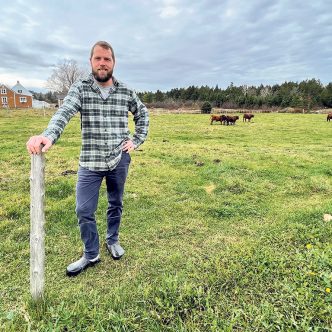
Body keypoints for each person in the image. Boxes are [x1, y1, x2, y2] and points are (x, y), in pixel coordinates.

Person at [26, 41, 149, 277]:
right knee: (84, 209)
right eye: (98, 59)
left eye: (107, 59)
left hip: (119, 159)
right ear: (91, 61)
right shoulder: (80, 88)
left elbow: (142, 113)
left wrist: (136, 139)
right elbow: (65, 111)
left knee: (116, 202)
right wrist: (48, 135)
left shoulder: (125, 91)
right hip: (90, 162)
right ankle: (91, 253)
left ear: (114, 62)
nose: (103, 63)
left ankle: (112, 240)